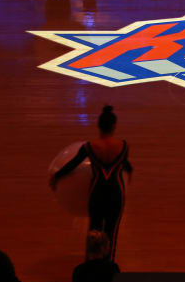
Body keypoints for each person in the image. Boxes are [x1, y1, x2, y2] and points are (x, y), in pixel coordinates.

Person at [50, 106, 133, 261]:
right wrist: (130, 174)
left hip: (97, 195)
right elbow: (127, 166)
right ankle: (109, 270)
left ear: (99, 126)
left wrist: (56, 176)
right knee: (111, 234)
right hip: (116, 195)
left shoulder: (89, 147)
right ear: (114, 126)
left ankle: (90, 268)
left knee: (93, 232)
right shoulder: (123, 146)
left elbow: (72, 164)